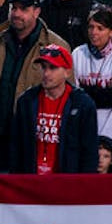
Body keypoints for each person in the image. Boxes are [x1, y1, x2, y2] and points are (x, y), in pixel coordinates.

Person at [0, 0, 68, 171]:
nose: (17, 13)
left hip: (33, 139)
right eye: (13, 8)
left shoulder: (56, 46)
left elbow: (66, 94)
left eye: (24, 9)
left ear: (37, 11)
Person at [9, 43, 98, 174]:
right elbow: (16, 146)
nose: (46, 73)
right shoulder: (26, 101)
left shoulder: (83, 104)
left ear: (67, 72)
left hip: (66, 183)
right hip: (31, 180)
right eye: (43, 67)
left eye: (53, 68)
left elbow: (89, 151)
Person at [73, 6, 112, 162]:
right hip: (85, 135)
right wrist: (99, 92)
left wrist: (85, 92)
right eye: (91, 27)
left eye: (100, 28)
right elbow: (73, 97)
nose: (94, 32)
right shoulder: (78, 53)